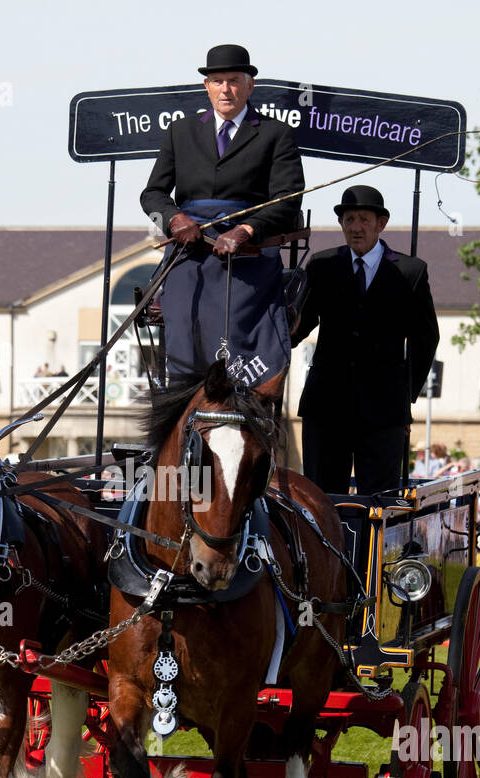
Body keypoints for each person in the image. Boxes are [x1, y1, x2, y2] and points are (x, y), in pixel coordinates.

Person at [140, 44, 304, 390]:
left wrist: (246, 230)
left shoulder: (276, 134)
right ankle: (185, 399)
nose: (225, 89)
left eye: (233, 80)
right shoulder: (180, 132)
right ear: (207, 87)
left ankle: (245, 399)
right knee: (183, 319)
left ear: (250, 86)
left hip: (249, 256)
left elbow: (288, 201)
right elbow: (151, 196)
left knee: (241, 329)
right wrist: (173, 220)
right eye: (217, 81)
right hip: (190, 252)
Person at [291, 185, 440, 493]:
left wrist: (405, 397)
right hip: (326, 409)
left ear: (380, 223)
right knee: (322, 499)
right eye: (348, 219)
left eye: (363, 219)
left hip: (384, 414)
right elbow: (298, 327)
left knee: (378, 502)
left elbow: (425, 339)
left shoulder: (411, 271)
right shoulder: (322, 265)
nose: (355, 227)